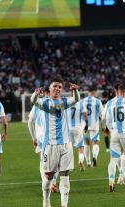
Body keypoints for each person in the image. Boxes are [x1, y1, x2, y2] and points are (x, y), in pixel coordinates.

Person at [31, 77, 80, 207]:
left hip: (66, 144)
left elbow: (76, 99)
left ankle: (64, 204)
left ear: (61, 89)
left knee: (65, 174)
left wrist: (75, 91)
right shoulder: (44, 103)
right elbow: (33, 101)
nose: (57, 89)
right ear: (50, 89)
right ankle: (46, 200)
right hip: (50, 145)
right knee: (48, 176)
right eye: (55, 86)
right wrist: (36, 93)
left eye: (59, 87)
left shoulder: (64, 102)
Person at [28, 89, 59, 192]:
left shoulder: (38, 104)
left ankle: (46, 184)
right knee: (56, 161)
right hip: (54, 137)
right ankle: (53, 182)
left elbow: (30, 121)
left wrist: (33, 138)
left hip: (41, 137)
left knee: (43, 162)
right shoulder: (57, 103)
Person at [102, 84, 125, 185]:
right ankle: (122, 173)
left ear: (115, 90)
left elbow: (103, 116)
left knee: (114, 156)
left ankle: (113, 178)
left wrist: (108, 128)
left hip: (114, 132)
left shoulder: (110, 102)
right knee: (124, 153)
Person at [81, 86, 103, 168]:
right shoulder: (98, 101)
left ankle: (88, 162)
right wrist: (103, 125)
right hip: (94, 125)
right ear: (95, 92)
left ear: (88, 92)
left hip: (84, 126)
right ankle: (94, 156)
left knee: (86, 144)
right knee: (95, 142)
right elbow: (102, 114)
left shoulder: (82, 101)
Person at [67, 98, 87, 171]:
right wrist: (86, 125)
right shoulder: (81, 104)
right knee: (81, 147)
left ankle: (69, 166)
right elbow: (85, 116)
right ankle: (81, 161)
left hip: (68, 128)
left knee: (68, 147)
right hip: (78, 127)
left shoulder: (67, 103)